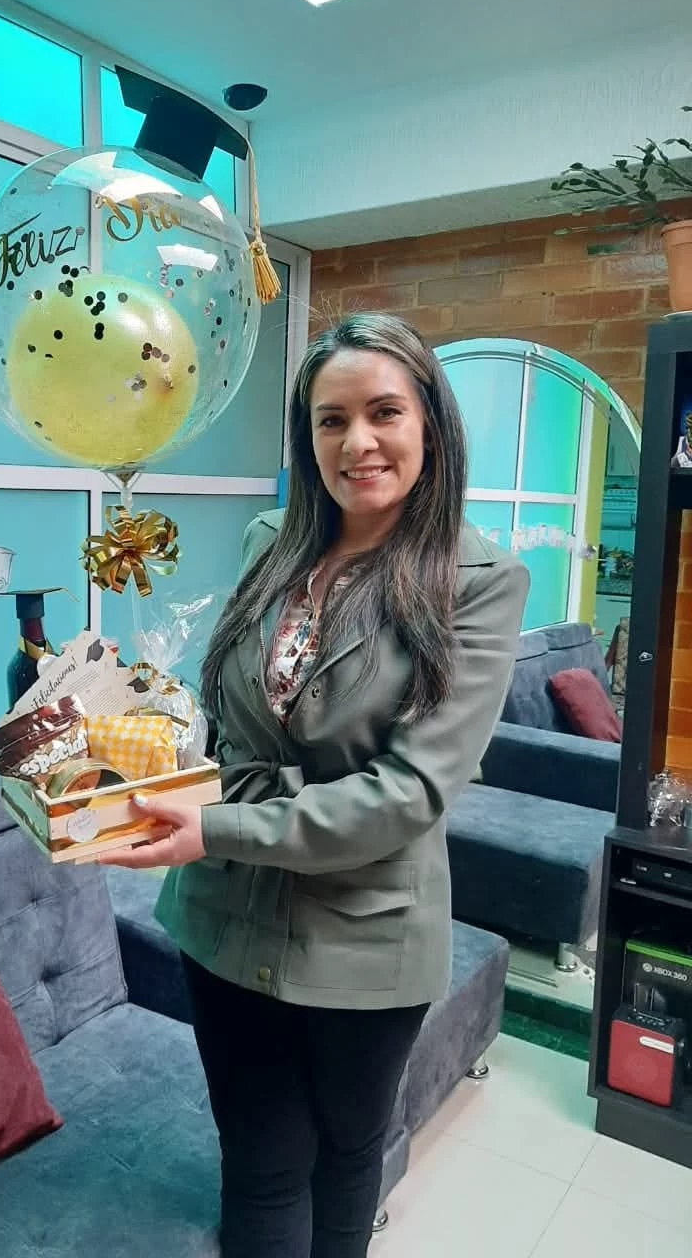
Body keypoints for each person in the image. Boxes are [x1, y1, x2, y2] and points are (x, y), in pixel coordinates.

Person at [99, 313, 529, 1258]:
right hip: (223, 915)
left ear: (431, 424)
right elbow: (232, 720)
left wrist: (218, 826)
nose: (357, 441)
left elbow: (406, 795)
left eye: (384, 412)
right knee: (258, 1164)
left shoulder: (478, 580)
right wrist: (129, 745)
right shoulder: (271, 539)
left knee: (345, 1158)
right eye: (331, 420)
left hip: (362, 933)